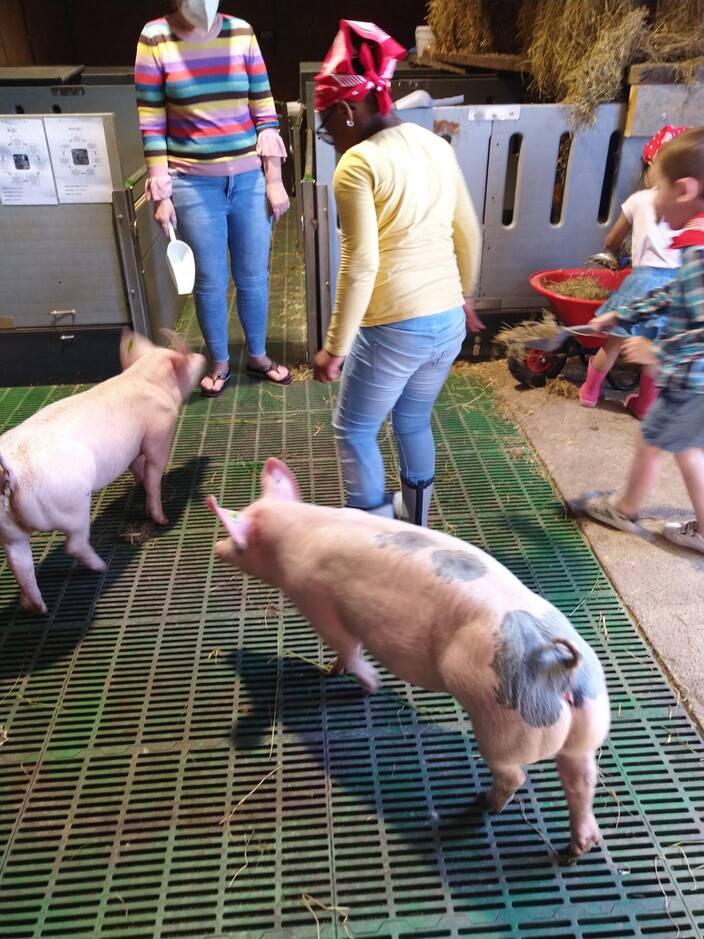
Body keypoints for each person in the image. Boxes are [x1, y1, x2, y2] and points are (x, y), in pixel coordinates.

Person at [312, 20, 483, 526]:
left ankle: (379, 546)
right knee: (412, 420)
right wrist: (465, 298)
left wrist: (335, 347)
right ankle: (417, 527)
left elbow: (361, 264)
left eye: (327, 128)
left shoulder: (357, 164)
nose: (330, 139)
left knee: (355, 430)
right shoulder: (434, 145)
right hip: (448, 320)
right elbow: (468, 232)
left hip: (395, 326)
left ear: (347, 110)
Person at [134, 0, 291, 397]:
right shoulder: (155, 38)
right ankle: (220, 363)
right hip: (191, 184)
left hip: (249, 179)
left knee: (254, 275)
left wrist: (274, 179)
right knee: (209, 279)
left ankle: (257, 355)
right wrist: (161, 194)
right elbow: (152, 123)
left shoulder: (241, 31)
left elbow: (264, 111)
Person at [581, 126, 704, 554]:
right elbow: (676, 294)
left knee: (677, 444)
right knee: (677, 443)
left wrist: (658, 349)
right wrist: (624, 313)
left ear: (686, 190)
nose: (653, 202)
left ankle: (628, 508)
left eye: (660, 192)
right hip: (691, 374)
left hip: (693, 375)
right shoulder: (694, 245)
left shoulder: (701, 249)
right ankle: (630, 506)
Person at [579, 125, 688, 418]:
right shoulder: (689, 209)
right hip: (675, 287)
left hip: (641, 284)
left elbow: (612, 239)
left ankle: (589, 393)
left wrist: (616, 252)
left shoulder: (639, 199)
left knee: (613, 343)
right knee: (652, 350)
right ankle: (644, 406)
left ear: (653, 166)